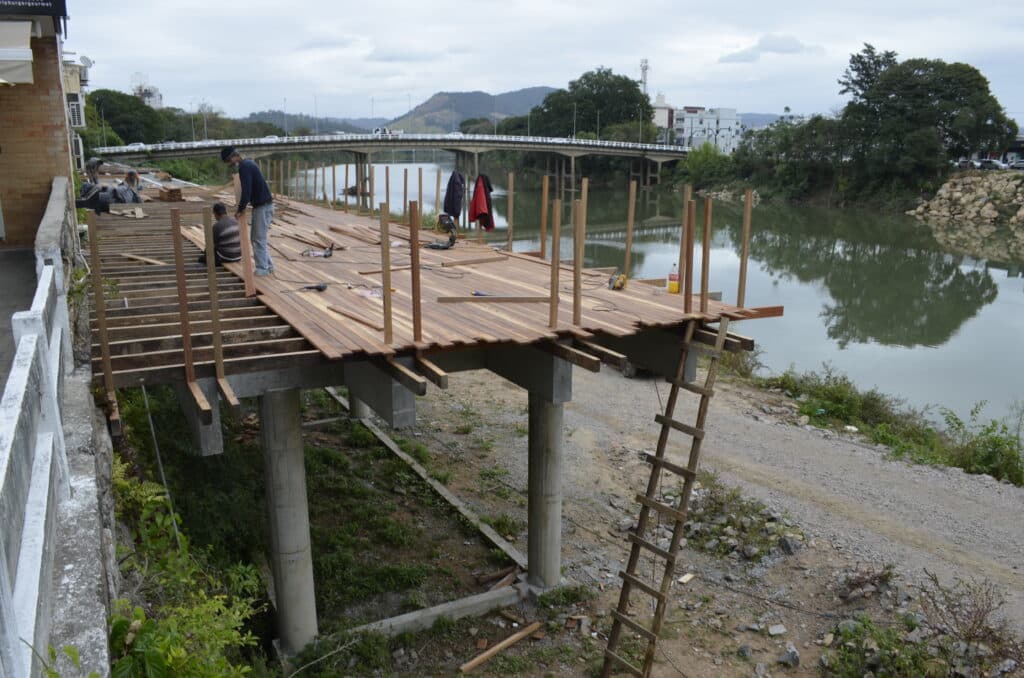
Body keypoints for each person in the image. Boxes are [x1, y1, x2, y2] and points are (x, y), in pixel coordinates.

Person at [220, 146, 274, 275]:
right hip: (265, 206)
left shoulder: (244, 167)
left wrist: (240, 209)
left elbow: (247, 191)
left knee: (257, 239)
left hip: (262, 207)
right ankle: (269, 266)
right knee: (259, 238)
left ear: (234, 156)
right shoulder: (249, 163)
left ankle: (262, 269)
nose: (229, 164)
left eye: (229, 161)